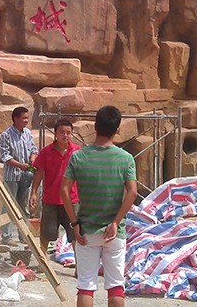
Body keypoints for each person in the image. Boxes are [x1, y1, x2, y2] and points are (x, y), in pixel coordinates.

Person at [61, 105, 137, 307]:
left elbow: (64, 190)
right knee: (116, 286)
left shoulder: (78, 157)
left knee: (86, 285)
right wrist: (115, 222)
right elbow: (132, 192)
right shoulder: (126, 159)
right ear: (117, 129)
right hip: (114, 232)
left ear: (95, 126)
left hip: (86, 231)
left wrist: (74, 223)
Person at [29, 119, 80, 253]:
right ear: (55, 133)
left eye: (68, 133)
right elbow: (39, 173)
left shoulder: (77, 152)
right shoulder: (46, 152)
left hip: (72, 201)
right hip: (51, 200)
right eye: (62, 132)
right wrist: (33, 192)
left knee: (75, 234)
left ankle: (79, 264)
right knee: (46, 234)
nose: (65, 135)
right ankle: (43, 260)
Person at [0, 106, 37, 245]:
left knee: (23, 205)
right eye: (23, 118)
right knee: (9, 205)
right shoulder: (6, 135)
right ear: (15, 119)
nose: (26, 121)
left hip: (26, 176)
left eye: (27, 118)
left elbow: (33, 149)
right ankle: (6, 236)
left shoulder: (27, 133)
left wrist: (32, 158)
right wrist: (20, 165)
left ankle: (24, 235)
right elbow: (5, 156)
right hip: (12, 176)